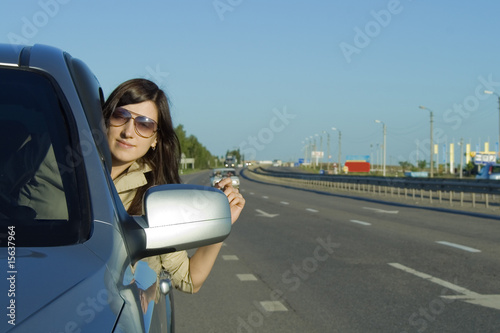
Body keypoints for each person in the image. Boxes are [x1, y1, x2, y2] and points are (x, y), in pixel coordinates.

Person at [103, 78, 245, 293]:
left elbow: (189, 279)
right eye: (120, 116)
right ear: (105, 119)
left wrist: (222, 221)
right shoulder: (58, 168)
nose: (128, 132)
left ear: (155, 139)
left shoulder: (155, 198)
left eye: (144, 124)